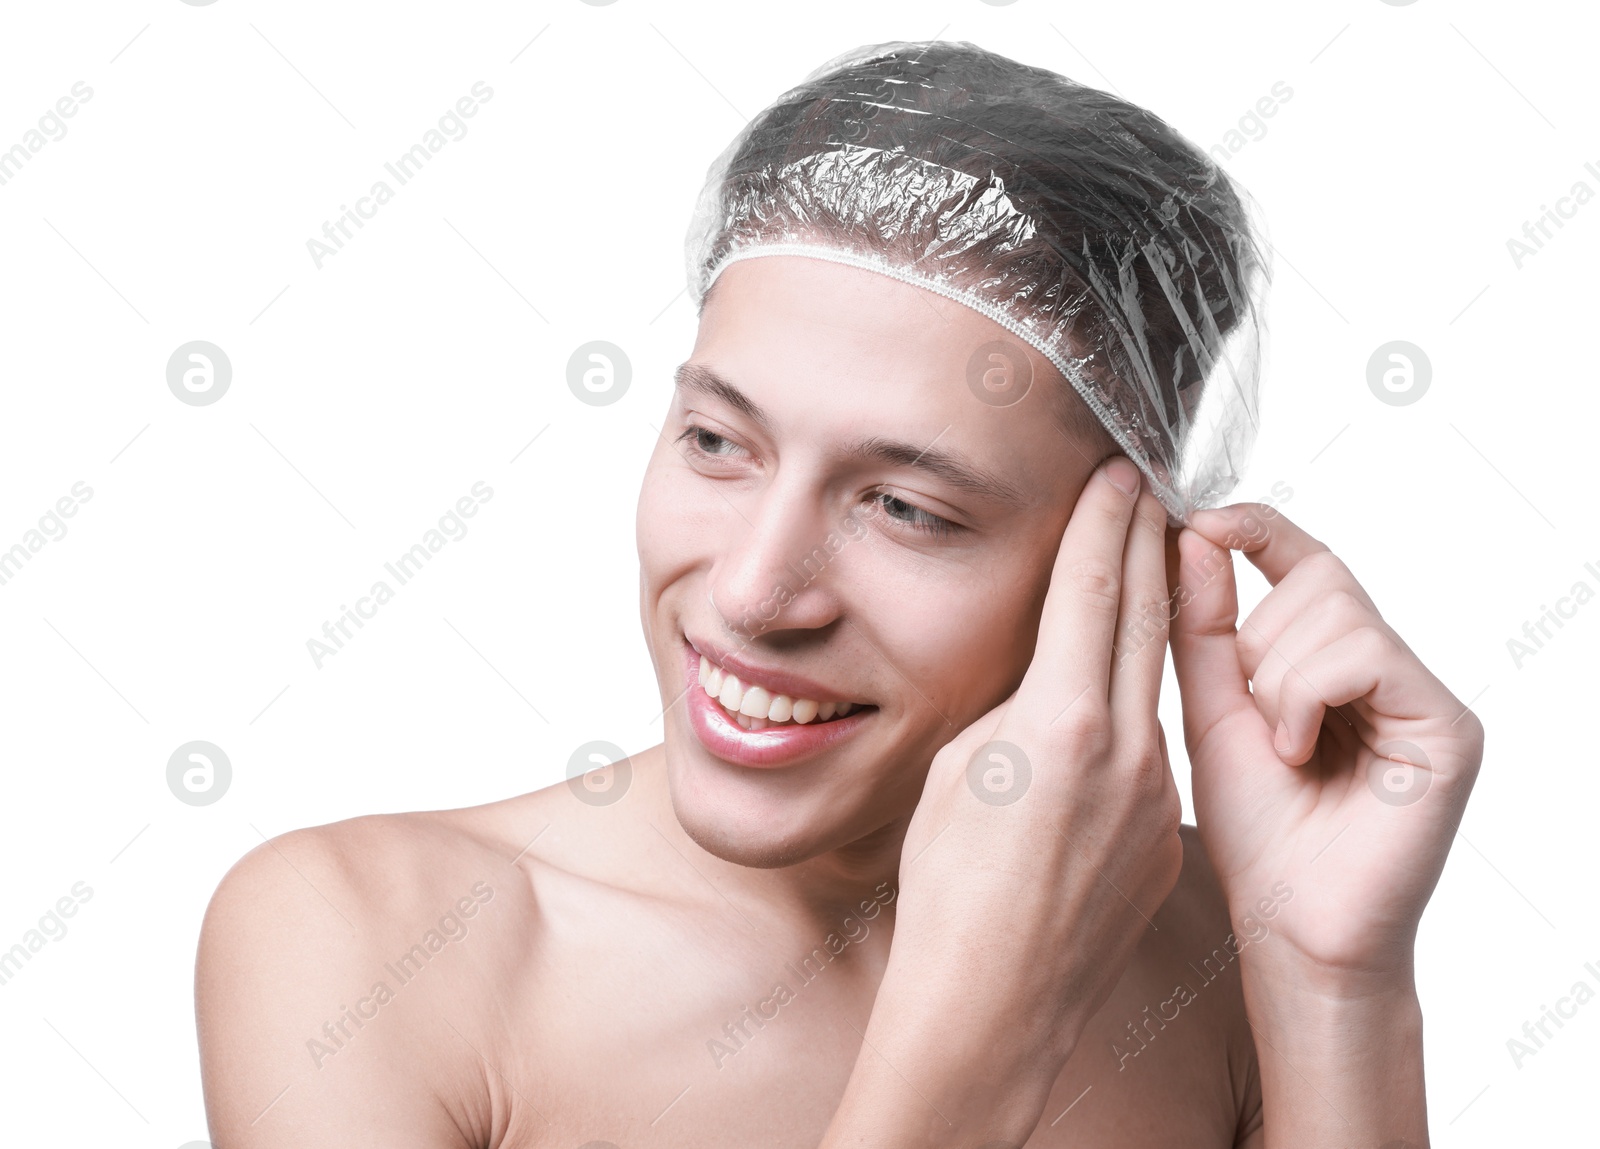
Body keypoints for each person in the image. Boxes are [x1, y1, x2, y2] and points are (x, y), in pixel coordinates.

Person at [195, 41, 1482, 1147]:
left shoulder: (1226, 956)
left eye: (907, 509)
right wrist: (974, 1053)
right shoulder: (366, 943)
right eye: (717, 442)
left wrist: (1329, 985)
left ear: (1131, 557)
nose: (753, 593)